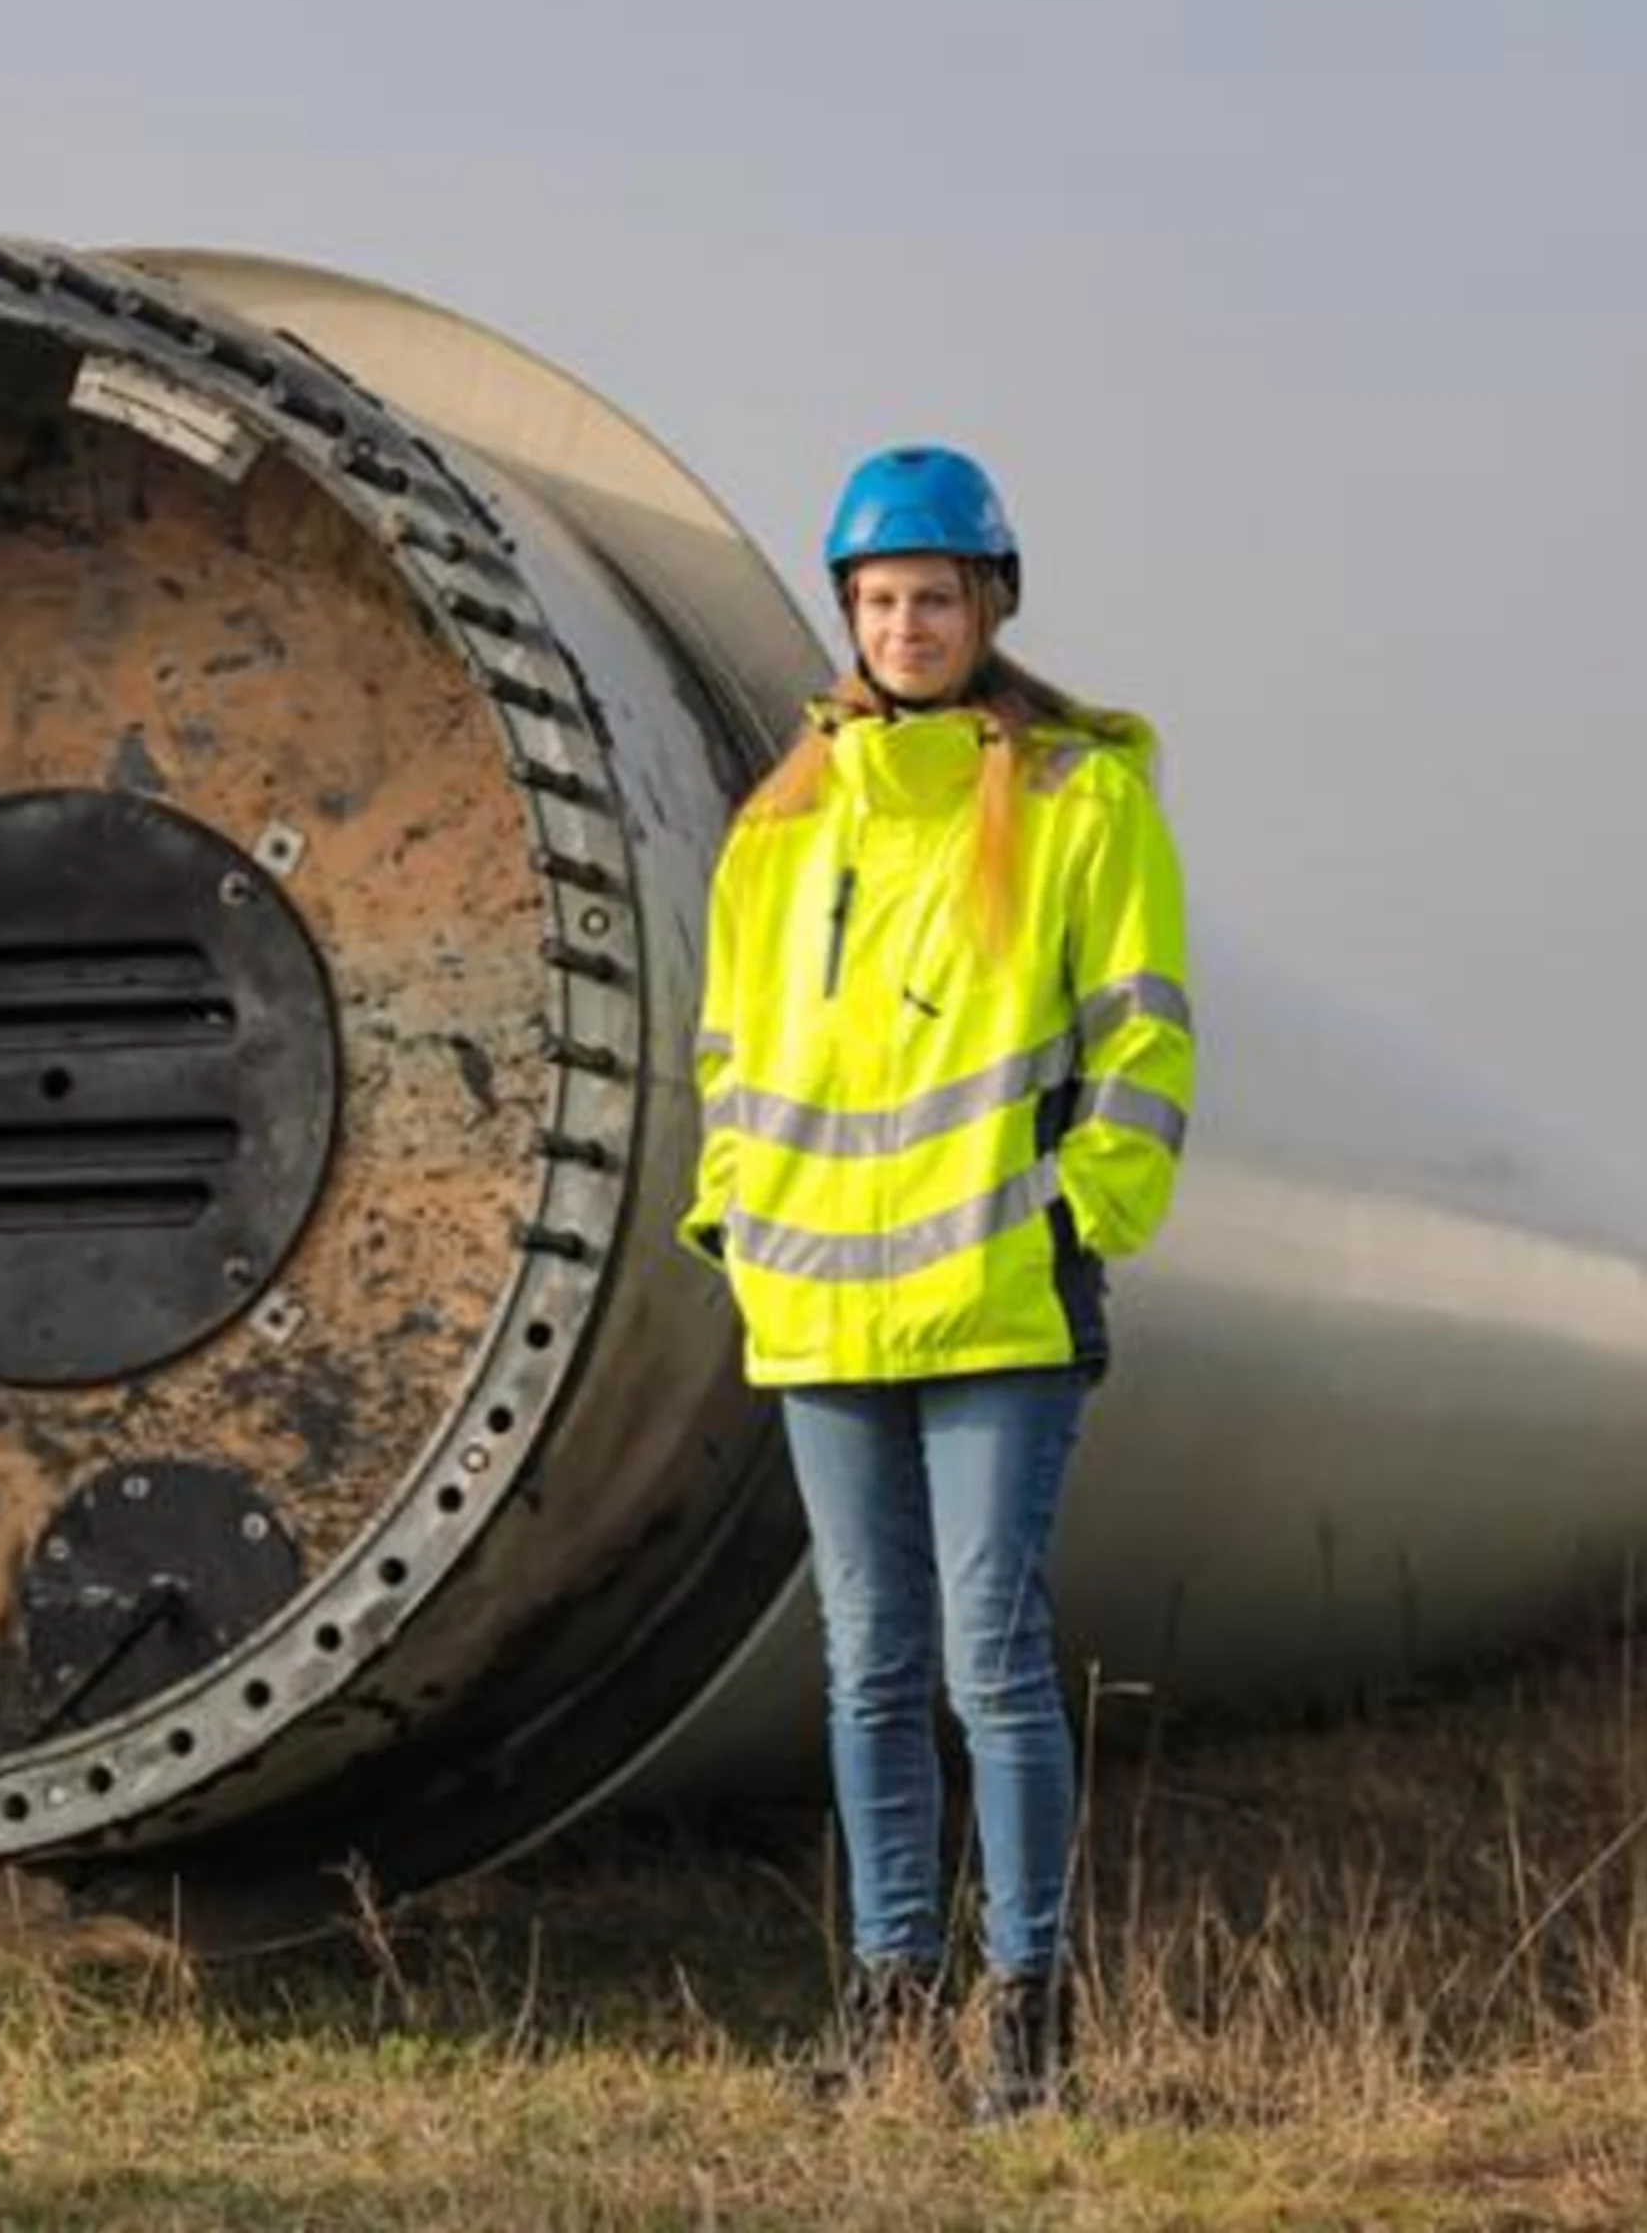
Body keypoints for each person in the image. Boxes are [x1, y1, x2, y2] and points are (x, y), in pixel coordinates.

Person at [681, 444, 1195, 2121]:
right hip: (819, 1304)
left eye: (937, 597)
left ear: (991, 606)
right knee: (868, 1669)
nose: (908, 624)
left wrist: (1080, 1213)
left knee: (991, 1662)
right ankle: (894, 1997)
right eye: (882, 600)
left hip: (1000, 1300)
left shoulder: (1076, 800)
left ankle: (1030, 2013)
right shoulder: (779, 827)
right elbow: (730, 1054)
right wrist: (732, 1220)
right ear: (851, 616)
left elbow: (1141, 1033)